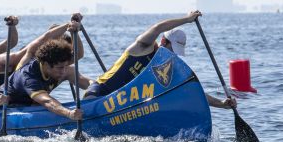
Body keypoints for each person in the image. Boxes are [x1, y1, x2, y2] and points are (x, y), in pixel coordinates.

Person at [83, 11, 236, 109]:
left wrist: (221, 104)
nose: (173, 55)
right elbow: (158, 27)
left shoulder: (163, 68)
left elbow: (190, 88)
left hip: (117, 104)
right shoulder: (142, 47)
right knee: (88, 106)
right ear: (163, 42)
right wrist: (187, 19)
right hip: (99, 91)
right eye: (172, 49)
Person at [0, 20, 91, 120]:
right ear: (46, 65)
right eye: (60, 68)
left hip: (33, 102)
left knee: (71, 71)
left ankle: (98, 89)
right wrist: (69, 113)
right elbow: (47, 102)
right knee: (40, 102)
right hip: (7, 108)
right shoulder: (28, 77)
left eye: (64, 66)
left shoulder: (56, 62)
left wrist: (74, 31)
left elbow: (78, 55)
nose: (63, 71)